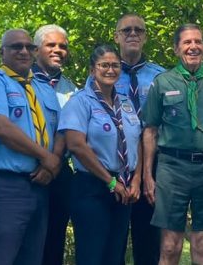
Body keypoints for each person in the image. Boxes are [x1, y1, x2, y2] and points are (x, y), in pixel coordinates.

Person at [0, 29, 65, 265]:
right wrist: (47, 157)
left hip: (40, 184)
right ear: (2, 52)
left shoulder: (44, 89)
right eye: (15, 47)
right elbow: (1, 128)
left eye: (28, 47)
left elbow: (61, 130)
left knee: (32, 258)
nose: (23, 51)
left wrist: (51, 164)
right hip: (4, 186)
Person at [141, 24, 203, 265]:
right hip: (172, 169)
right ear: (176, 49)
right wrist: (148, 175)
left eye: (198, 42)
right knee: (170, 247)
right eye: (187, 43)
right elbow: (150, 131)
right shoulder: (162, 82)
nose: (193, 47)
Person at [60, 45, 144, 264]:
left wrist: (136, 179)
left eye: (115, 65)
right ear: (92, 70)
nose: (110, 70)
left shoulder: (125, 103)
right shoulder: (80, 102)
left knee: (115, 256)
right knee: (92, 255)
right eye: (104, 65)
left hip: (124, 186)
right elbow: (76, 145)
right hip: (92, 187)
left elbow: (138, 141)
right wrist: (110, 182)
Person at [113, 13, 165, 265]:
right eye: (126, 30)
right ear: (117, 37)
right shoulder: (103, 74)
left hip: (154, 166)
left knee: (149, 242)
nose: (133, 34)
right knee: (114, 242)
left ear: (145, 37)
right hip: (117, 166)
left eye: (138, 30)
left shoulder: (161, 77)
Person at [31, 24, 79, 265]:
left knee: (54, 244)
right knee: (25, 245)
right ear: (36, 49)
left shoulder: (72, 89)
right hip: (28, 172)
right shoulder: (21, 83)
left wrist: (54, 166)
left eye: (63, 46)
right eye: (51, 45)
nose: (58, 50)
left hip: (60, 174)